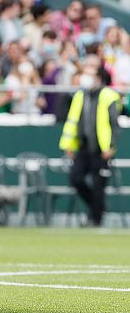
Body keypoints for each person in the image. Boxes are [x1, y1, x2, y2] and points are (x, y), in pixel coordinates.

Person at [59, 65, 122, 226]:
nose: (84, 77)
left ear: (98, 77)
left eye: (89, 74)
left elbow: (114, 123)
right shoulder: (80, 95)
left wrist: (111, 146)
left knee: (99, 183)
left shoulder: (109, 95)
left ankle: (95, 218)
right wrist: (69, 145)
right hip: (83, 146)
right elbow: (73, 121)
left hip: (101, 148)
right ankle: (98, 207)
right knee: (76, 177)